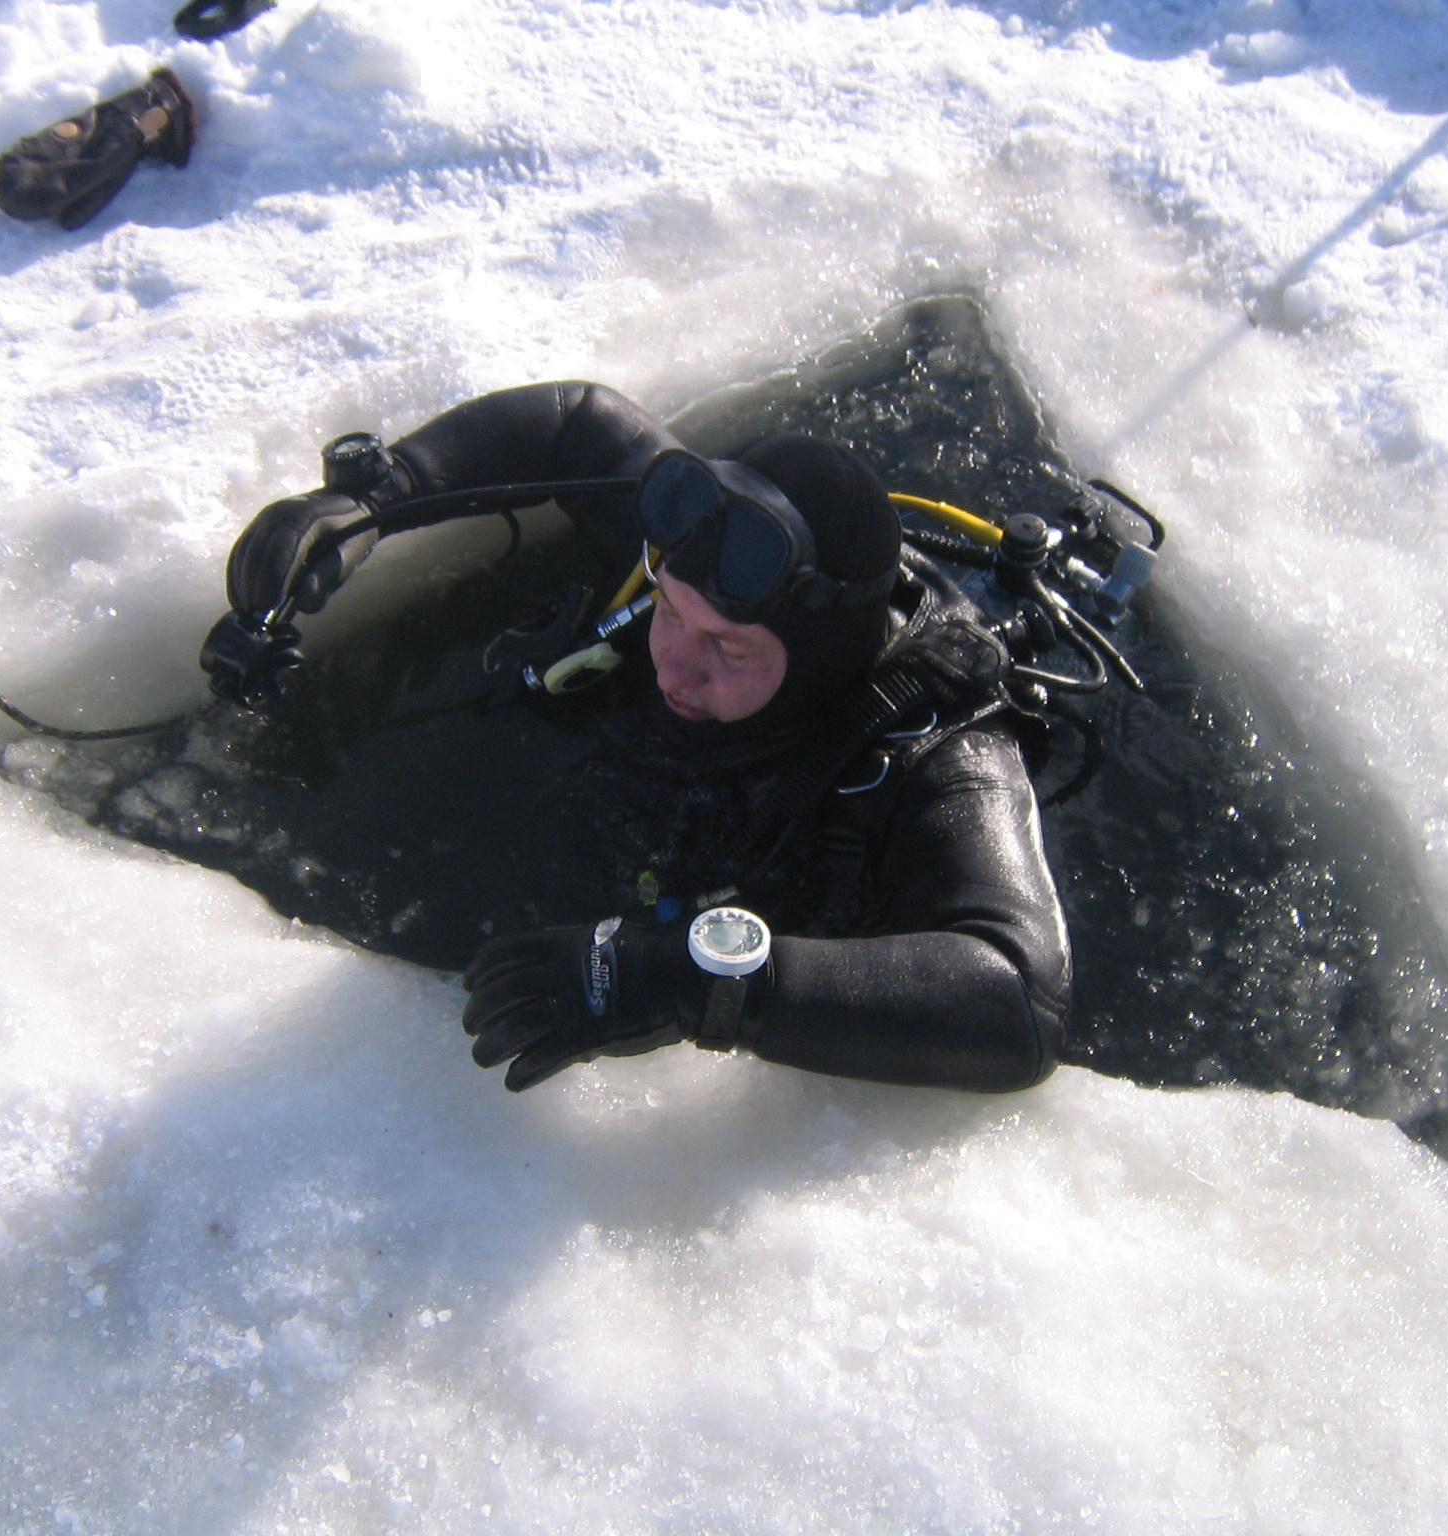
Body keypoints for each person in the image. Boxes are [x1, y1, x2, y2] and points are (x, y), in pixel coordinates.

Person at [200, 382, 1073, 1093]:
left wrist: (689, 982)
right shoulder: (705, 548)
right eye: (668, 611)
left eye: (728, 649)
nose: (674, 666)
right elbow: (574, 419)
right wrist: (362, 502)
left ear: (813, 661)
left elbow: (1019, 1000)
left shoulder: (947, 758)